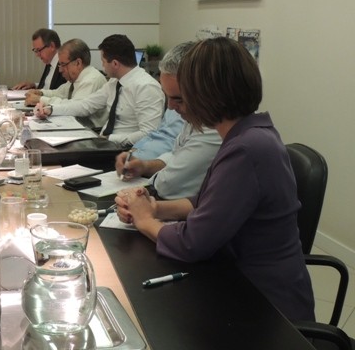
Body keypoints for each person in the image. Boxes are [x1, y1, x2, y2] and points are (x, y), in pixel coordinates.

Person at [115, 37, 314, 321]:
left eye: (183, 96)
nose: (173, 107)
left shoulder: (246, 149)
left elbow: (192, 243)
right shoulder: (248, 135)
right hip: (239, 283)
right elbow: (208, 202)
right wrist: (155, 208)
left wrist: (144, 220)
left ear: (208, 95)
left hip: (266, 309)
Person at [114, 42, 221, 199]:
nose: (170, 107)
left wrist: (152, 180)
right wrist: (145, 166)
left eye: (179, 99)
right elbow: (177, 155)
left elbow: (166, 186)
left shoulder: (215, 130)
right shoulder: (194, 117)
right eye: (168, 97)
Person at [35, 34, 164, 147]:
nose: (102, 66)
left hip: (125, 150)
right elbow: (85, 105)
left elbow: (149, 134)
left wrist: (109, 139)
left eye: (103, 61)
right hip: (104, 143)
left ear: (115, 64)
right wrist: (51, 109)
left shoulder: (146, 87)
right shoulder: (114, 83)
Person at [24, 38, 107, 128]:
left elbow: (75, 108)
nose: (60, 70)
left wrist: (41, 99)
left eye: (63, 64)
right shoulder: (75, 78)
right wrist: (40, 93)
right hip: (76, 125)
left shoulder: (91, 80)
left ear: (78, 63)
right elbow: (59, 93)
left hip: (90, 130)